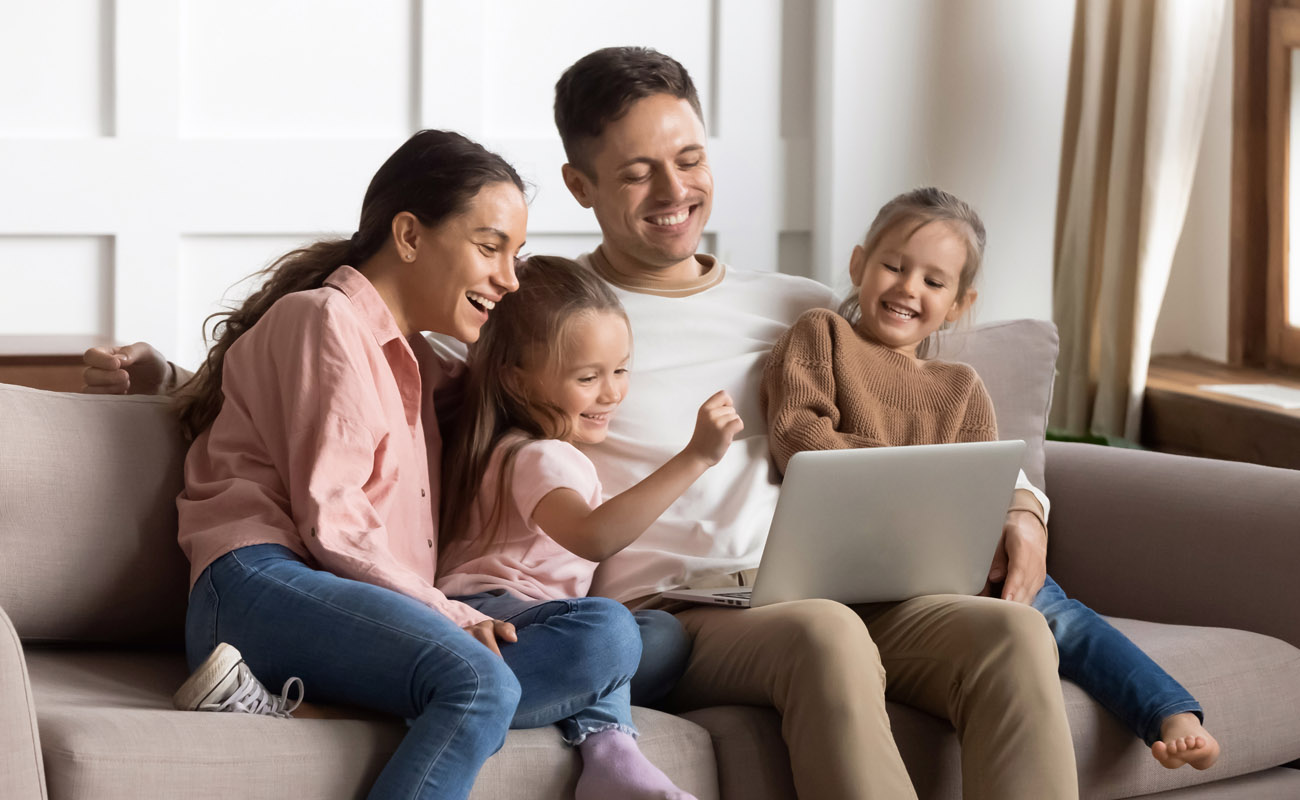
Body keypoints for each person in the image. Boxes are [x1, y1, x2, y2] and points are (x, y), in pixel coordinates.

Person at [85, 47, 1078, 797]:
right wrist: (171, 375)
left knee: (1012, 638)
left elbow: (926, 397)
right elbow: (332, 386)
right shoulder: (542, 319)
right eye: (638, 170)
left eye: (687, 158)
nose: (673, 190)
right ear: (582, 187)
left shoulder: (803, 309)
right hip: (699, 607)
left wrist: (1021, 503)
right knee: (805, 636)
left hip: (835, 577)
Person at [158, 129, 673, 800]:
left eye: (515, 255)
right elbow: (335, 524)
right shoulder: (324, 320)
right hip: (259, 583)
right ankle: (416, 700)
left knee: (613, 635)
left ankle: (317, 709)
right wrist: (452, 617)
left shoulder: (422, 364)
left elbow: (523, 387)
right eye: (490, 248)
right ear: (408, 236)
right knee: (478, 681)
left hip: (351, 603)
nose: (509, 280)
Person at [761, 186, 1221, 772]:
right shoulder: (821, 334)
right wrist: (914, 478)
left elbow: (988, 485)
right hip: (855, 567)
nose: (908, 288)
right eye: (893, 267)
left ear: (958, 302)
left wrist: (1003, 525)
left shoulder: (960, 386)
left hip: (951, 565)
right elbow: (799, 437)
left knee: (1059, 615)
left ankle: (1168, 712)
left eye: (934, 281)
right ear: (859, 264)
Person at [438, 254, 743, 800]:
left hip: (542, 624)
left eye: (621, 370)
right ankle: (610, 751)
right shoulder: (533, 457)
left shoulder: (543, 453)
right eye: (588, 377)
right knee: (610, 630)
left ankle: (572, 703)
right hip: (493, 615)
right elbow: (594, 536)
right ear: (515, 377)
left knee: (661, 637)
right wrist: (696, 457)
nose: (612, 393)